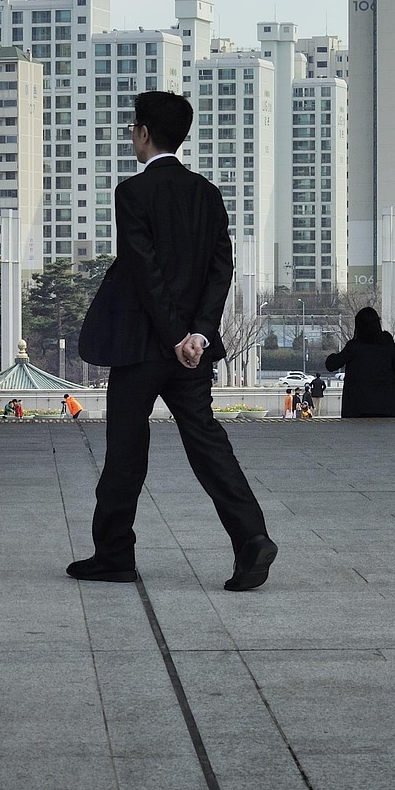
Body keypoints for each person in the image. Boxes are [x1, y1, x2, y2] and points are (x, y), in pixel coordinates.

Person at [73, 90, 276, 593]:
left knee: (126, 449)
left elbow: (144, 271)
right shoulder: (207, 194)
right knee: (207, 443)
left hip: (141, 347)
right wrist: (199, 335)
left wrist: (173, 336)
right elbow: (220, 269)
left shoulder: (132, 193)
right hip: (193, 353)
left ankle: (114, 555)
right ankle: (251, 538)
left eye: (132, 129)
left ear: (143, 133)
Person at [325, 307, 395, 419]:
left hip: (358, 409)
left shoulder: (354, 347)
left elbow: (331, 365)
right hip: (388, 407)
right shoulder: (386, 344)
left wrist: (332, 354)